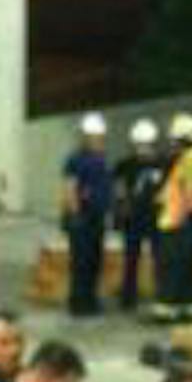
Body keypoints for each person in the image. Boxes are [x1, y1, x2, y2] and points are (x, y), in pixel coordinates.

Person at [152, 113, 192, 321]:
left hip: (179, 223)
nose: (171, 144)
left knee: (173, 266)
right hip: (185, 221)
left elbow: (188, 194)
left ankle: (167, 308)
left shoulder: (191, 159)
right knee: (187, 266)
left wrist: (181, 217)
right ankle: (188, 306)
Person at [59, 113, 114, 317]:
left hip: (97, 219)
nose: (98, 140)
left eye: (100, 136)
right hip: (83, 219)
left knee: (94, 261)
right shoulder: (76, 160)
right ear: (85, 137)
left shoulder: (102, 159)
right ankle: (79, 302)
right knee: (81, 262)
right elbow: (69, 188)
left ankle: (91, 299)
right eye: (94, 136)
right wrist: (75, 214)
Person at [112, 118, 166, 312]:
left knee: (159, 258)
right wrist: (120, 212)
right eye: (139, 144)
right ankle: (128, 297)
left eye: (146, 144)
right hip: (133, 219)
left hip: (156, 219)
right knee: (131, 259)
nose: (142, 148)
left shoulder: (163, 164)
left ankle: (162, 295)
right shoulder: (124, 165)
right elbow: (119, 191)